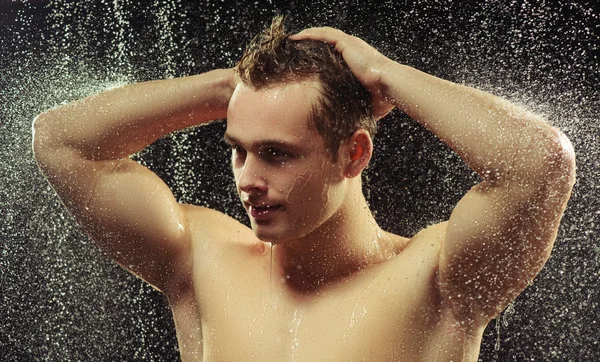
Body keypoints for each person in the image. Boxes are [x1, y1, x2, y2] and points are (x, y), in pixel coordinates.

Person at [32, 15, 575, 361]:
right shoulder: (201, 260)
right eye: (238, 149)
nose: (247, 179)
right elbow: (60, 141)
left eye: (277, 154)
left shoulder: (435, 279)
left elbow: (540, 164)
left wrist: (385, 76)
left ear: (353, 154)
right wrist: (230, 88)